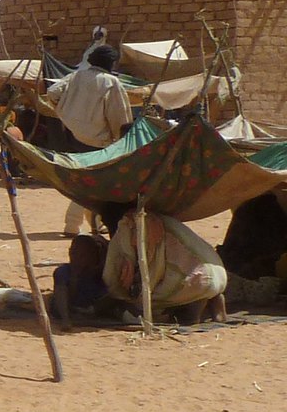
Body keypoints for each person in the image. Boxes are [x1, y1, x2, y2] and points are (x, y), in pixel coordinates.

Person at [51, 44, 133, 236]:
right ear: (111, 63)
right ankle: (71, 225)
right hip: (98, 142)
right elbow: (119, 116)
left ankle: (95, 224)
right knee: (90, 184)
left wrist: (65, 113)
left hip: (72, 136)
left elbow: (53, 93)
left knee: (91, 182)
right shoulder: (111, 83)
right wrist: (120, 140)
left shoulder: (76, 76)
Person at [103, 207, 227, 324]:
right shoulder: (162, 227)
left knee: (145, 300)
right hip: (217, 275)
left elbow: (151, 279)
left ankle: (202, 301)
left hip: (200, 281)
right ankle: (209, 298)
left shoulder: (140, 229)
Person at [50, 232, 118, 329]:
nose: (74, 257)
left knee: (114, 296)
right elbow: (61, 290)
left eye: (81, 255)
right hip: (69, 307)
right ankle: (67, 317)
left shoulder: (99, 273)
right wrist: (66, 319)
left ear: (92, 257)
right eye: (72, 252)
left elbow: (109, 294)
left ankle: (88, 312)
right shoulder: (64, 271)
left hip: (91, 307)